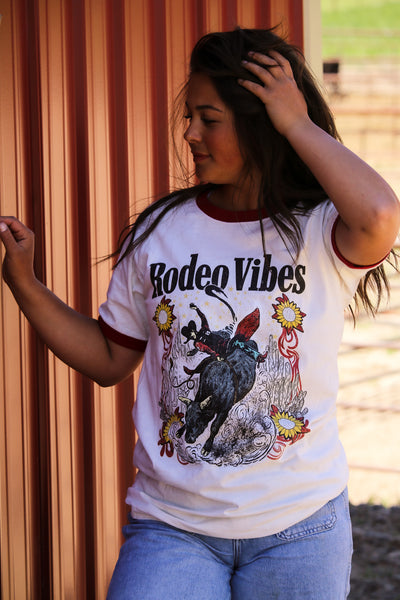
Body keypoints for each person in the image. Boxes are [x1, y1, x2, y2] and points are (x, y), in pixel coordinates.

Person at [1, 27, 399, 599]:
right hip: (172, 528)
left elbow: (381, 214)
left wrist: (296, 122)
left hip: (300, 529)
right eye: (190, 116)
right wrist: (25, 284)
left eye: (208, 119)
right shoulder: (160, 232)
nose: (189, 133)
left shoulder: (319, 227)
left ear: (260, 124)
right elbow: (110, 358)